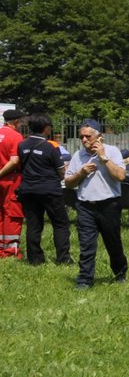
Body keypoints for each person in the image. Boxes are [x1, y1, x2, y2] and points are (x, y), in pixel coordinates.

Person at [0, 114, 70, 265]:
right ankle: (63, 258)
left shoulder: (22, 145)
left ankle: (35, 258)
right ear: (46, 129)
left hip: (28, 189)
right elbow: (61, 171)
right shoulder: (50, 146)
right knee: (60, 223)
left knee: (33, 224)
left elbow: (20, 164)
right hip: (50, 190)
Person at [65, 119, 128, 288]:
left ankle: (120, 272)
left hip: (109, 205)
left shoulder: (112, 151)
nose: (84, 140)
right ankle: (85, 279)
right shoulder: (78, 155)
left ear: (99, 136)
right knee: (86, 245)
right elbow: (69, 183)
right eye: (81, 137)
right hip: (85, 205)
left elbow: (121, 176)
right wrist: (81, 173)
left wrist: (103, 158)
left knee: (113, 242)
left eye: (88, 136)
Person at [0, 108, 23, 259]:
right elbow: (14, 160)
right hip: (10, 179)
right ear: (15, 121)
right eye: (20, 121)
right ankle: (10, 251)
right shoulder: (15, 136)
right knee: (12, 214)